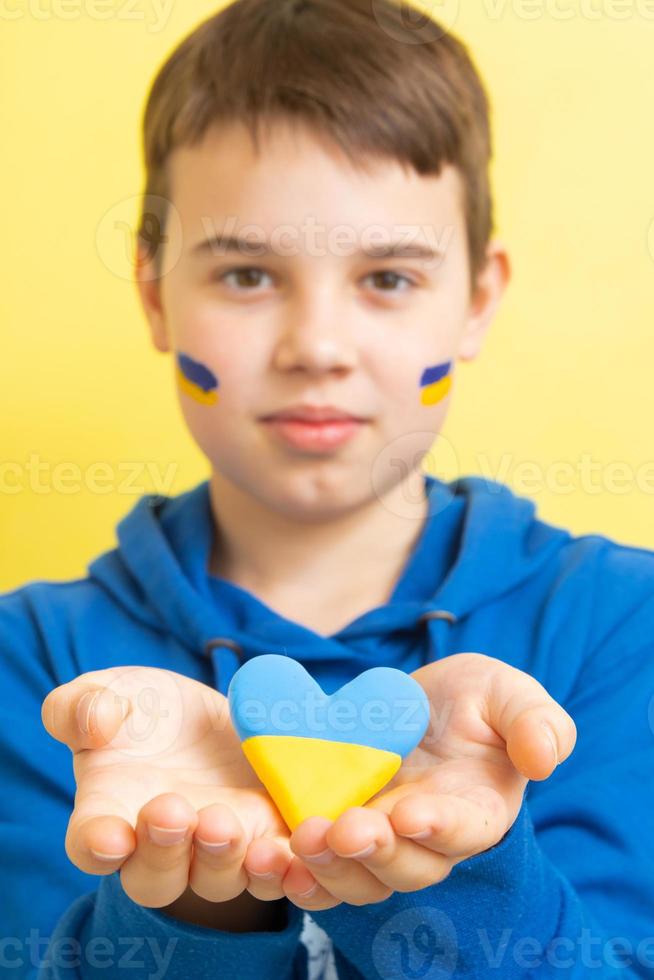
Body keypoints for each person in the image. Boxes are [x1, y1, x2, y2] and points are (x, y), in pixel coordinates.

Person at [2, 0, 653, 977]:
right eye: (249, 273)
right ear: (153, 294)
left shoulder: (617, 625)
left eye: (387, 277)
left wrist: (457, 871)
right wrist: (188, 904)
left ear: (476, 299)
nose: (317, 348)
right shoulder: (37, 666)